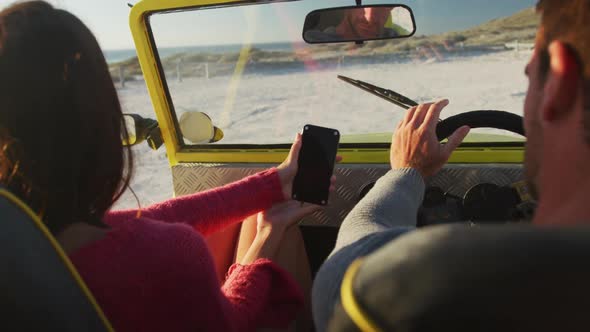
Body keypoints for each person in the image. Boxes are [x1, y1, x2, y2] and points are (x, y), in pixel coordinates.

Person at [0, 2, 336, 331]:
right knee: (282, 236)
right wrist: (267, 236)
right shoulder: (164, 257)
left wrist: (270, 187)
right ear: (97, 123)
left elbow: (149, 220)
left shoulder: (26, 237)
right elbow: (233, 323)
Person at [312, 0, 590, 330]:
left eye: (531, 77)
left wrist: (407, 171)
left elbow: (337, 282)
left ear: (559, 82)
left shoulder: (432, 283)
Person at [304, 7, 400, 42]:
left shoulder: (393, 37)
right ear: (347, 8)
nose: (370, 18)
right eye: (362, 6)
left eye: (381, 7)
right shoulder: (315, 39)